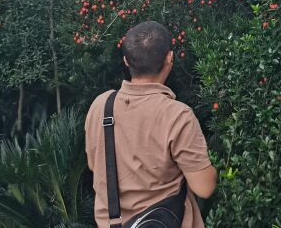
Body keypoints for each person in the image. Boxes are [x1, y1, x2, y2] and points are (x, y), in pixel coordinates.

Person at [85, 21, 217, 228]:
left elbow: (96, 165)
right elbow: (204, 187)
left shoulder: (101, 105)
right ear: (169, 58)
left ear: (126, 61)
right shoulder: (177, 115)